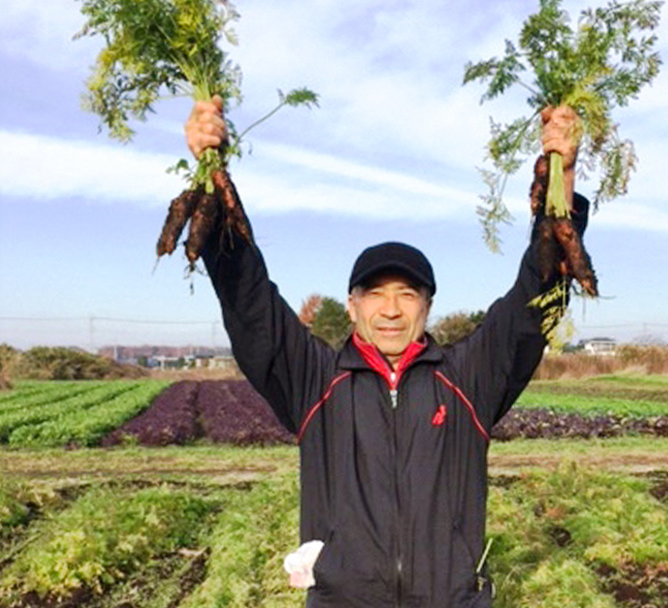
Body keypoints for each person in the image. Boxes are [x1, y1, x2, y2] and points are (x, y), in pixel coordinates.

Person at [185, 99, 587, 608]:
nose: (391, 309)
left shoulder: (467, 379)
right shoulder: (316, 381)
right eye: (375, 294)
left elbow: (533, 306)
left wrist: (561, 178)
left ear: (427, 306)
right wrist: (212, 179)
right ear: (353, 307)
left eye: (407, 294)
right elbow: (250, 304)